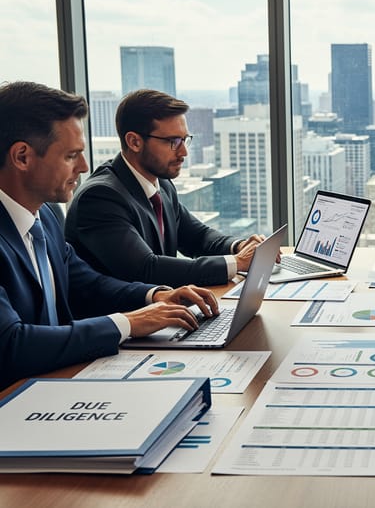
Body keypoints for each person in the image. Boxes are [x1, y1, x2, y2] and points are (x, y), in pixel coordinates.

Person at [0, 81, 218, 388]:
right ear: (22, 157)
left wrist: (155, 295)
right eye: (71, 156)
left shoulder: (45, 215)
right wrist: (126, 323)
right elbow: (11, 344)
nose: (84, 166)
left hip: (59, 380)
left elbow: (87, 282)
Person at [65, 89, 266, 287]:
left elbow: (198, 237)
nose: (184, 152)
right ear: (134, 142)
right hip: (122, 315)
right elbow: (146, 269)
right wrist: (237, 263)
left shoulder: (161, 183)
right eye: (173, 142)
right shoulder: (100, 198)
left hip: (162, 310)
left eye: (185, 139)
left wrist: (239, 246)